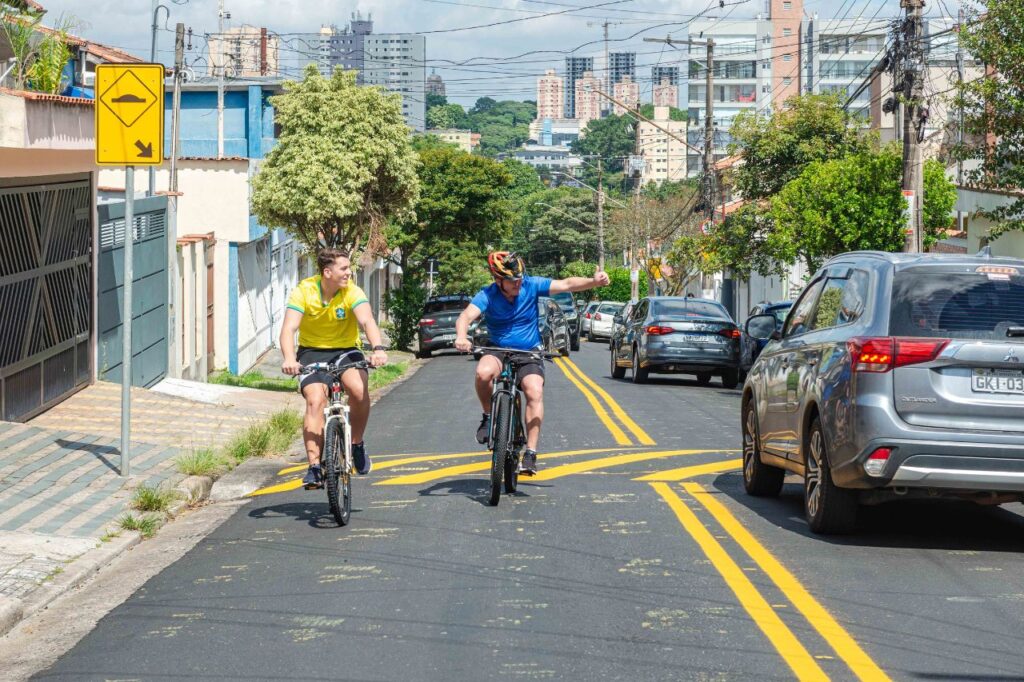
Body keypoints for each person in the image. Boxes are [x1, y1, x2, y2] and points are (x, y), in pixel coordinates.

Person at [454, 252, 609, 475]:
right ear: (498, 280)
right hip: (498, 349)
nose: (518, 283)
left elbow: (566, 284)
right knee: (482, 373)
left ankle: (531, 454)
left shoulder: (531, 285)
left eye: (519, 278)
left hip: (528, 351)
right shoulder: (487, 294)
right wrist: (461, 336)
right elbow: (465, 317)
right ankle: (488, 417)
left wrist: (593, 282)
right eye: (512, 280)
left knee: (534, 391)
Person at [280, 248, 389, 489]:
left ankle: (357, 444)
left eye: (349, 268)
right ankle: (314, 467)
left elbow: (367, 320)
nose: (349, 272)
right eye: (344, 268)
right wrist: (289, 358)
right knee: (315, 400)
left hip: (346, 350)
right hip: (312, 352)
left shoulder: (352, 291)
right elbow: (288, 329)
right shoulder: (304, 291)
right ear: (327, 272)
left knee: (358, 390)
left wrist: (378, 349)